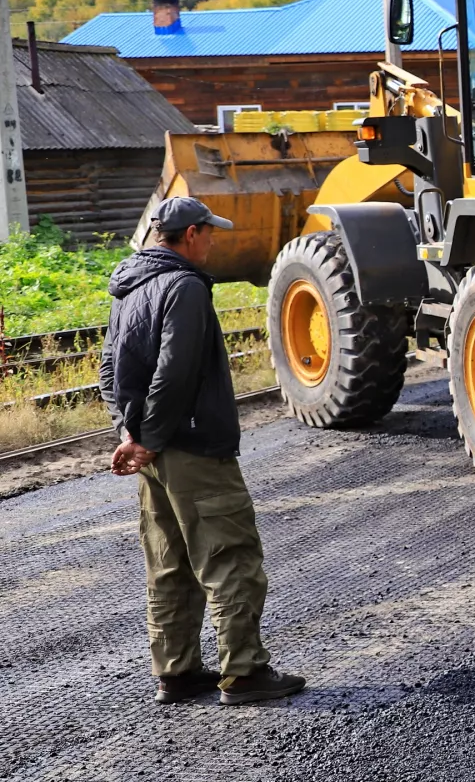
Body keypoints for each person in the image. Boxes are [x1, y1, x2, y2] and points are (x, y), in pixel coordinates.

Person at [100, 197, 306, 706]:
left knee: (168, 563)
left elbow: (108, 369)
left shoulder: (129, 285)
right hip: (190, 446)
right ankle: (245, 673)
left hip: (152, 454)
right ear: (190, 234)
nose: (214, 240)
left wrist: (129, 433)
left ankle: (176, 672)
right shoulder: (185, 286)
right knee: (229, 557)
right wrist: (147, 437)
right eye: (209, 231)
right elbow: (175, 372)